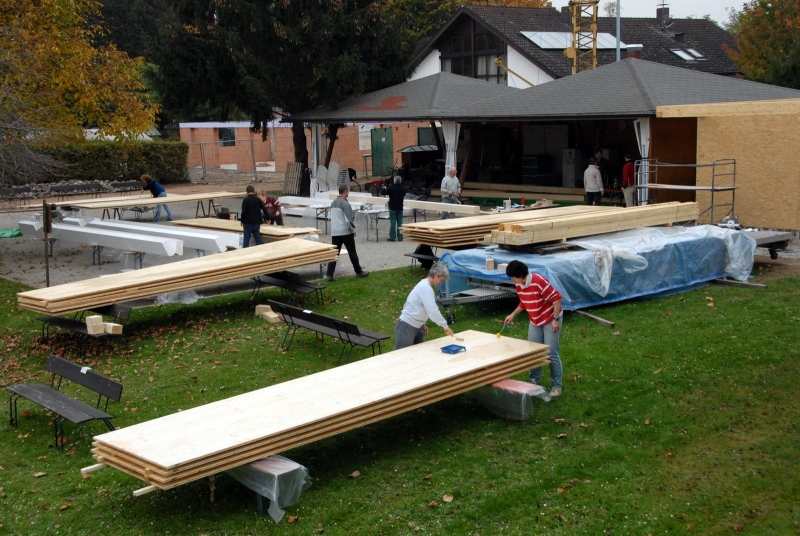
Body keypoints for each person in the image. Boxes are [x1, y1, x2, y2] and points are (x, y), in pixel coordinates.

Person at [504, 260, 563, 397]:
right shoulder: (519, 285)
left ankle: (556, 385)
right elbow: (524, 301)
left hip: (550, 318)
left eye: (513, 277)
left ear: (521, 275)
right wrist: (512, 314)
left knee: (551, 352)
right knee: (534, 350)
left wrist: (555, 320)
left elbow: (556, 299)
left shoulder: (539, 282)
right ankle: (534, 380)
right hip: (535, 319)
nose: (513, 280)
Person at [395, 262, 455, 349]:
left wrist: (422, 324)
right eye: (441, 279)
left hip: (417, 326)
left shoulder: (426, 287)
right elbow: (433, 312)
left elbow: (421, 307)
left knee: (420, 354)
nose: (441, 283)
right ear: (435, 275)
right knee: (403, 355)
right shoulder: (425, 288)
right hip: (407, 326)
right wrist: (445, 327)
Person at [325, 184, 369, 281]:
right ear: (345, 191)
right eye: (348, 191)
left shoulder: (333, 203)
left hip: (335, 232)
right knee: (352, 252)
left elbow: (331, 218)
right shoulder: (346, 204)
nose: (348, 193)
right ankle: (358, 271)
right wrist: (353, 230)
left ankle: (329, 274)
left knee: (335, 253)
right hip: (345, 232)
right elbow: (348, 220)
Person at [381, 176, 406, 241]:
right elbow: (404, 195)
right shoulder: (403, 189)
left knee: (393, 222)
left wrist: (383, 187)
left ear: (394, 181)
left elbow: (383, 192)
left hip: (392, 207)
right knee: (400, 222)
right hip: (400, 207)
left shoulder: (391, 188)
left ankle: (392, 237)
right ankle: (400, 237)